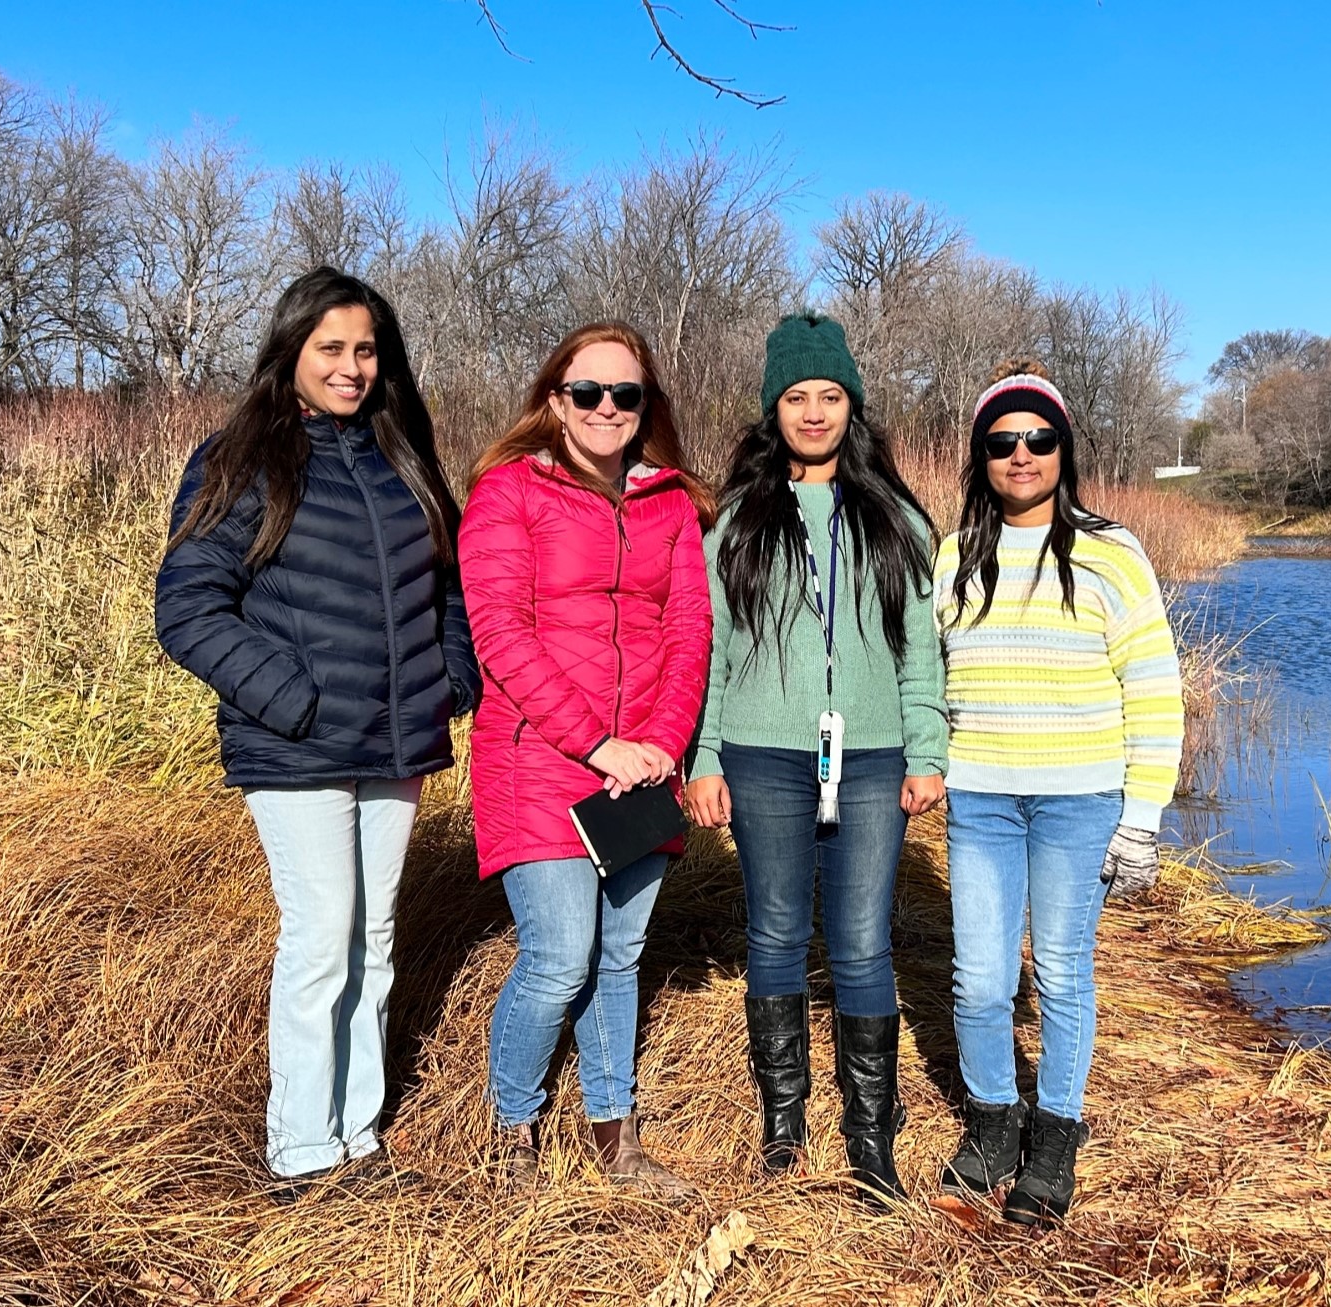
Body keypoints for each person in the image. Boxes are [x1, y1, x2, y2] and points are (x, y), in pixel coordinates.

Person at [154, 266, 475, 1200]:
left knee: (373, 939)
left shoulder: (400, 457)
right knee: (322, 935)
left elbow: (446, 587)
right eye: (331, 348)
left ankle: (357, 1135)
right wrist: (290, 700)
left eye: (366, 350)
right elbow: (188, 607)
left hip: (397, 741)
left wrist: (449, 678)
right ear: (291, 351)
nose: (351, 366)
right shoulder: (243, 458)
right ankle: (300, 1152)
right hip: (294, 748)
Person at [682, 314, 945, 1204]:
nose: (814, 412)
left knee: (864, 939)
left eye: (830, 396)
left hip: (869, 755)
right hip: (762, 755)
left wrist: (927, 749)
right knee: (778, 929)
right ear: (773, 409)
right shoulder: (736, 525)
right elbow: (713, 651)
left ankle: (872, 1137)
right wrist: (706, 754)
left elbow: (919, 652)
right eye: (797, 397)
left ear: (852, 407)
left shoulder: (898, 520)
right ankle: (784, 1128)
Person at [460, 322, 715, 1196]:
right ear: (555, 400)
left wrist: (658, 746)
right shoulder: (508, 493)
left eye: (626, 394)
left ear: (647, 407)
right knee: (562, 953)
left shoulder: (672, 504)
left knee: (619, 954)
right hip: (540, 759)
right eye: (589, 392)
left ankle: (617, 1136)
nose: (608, 408)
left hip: (641, 768)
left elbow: (689, 634)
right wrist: (594, 741)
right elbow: (500, 632)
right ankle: (512, 1131)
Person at [932, 362, 1179, 1227]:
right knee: (979, 978)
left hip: (1080, 802)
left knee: (1065, 971)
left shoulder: (1113, 553)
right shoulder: (955, 556)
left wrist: (1140, 818)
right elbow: (929, 682)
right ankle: (996, 1119)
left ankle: (1056, 1134)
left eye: (1038, 438)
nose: (1021, 455)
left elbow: (1153, 685)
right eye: (1002, 442)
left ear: (1063, 448)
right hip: (983, 800)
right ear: (982, 456)